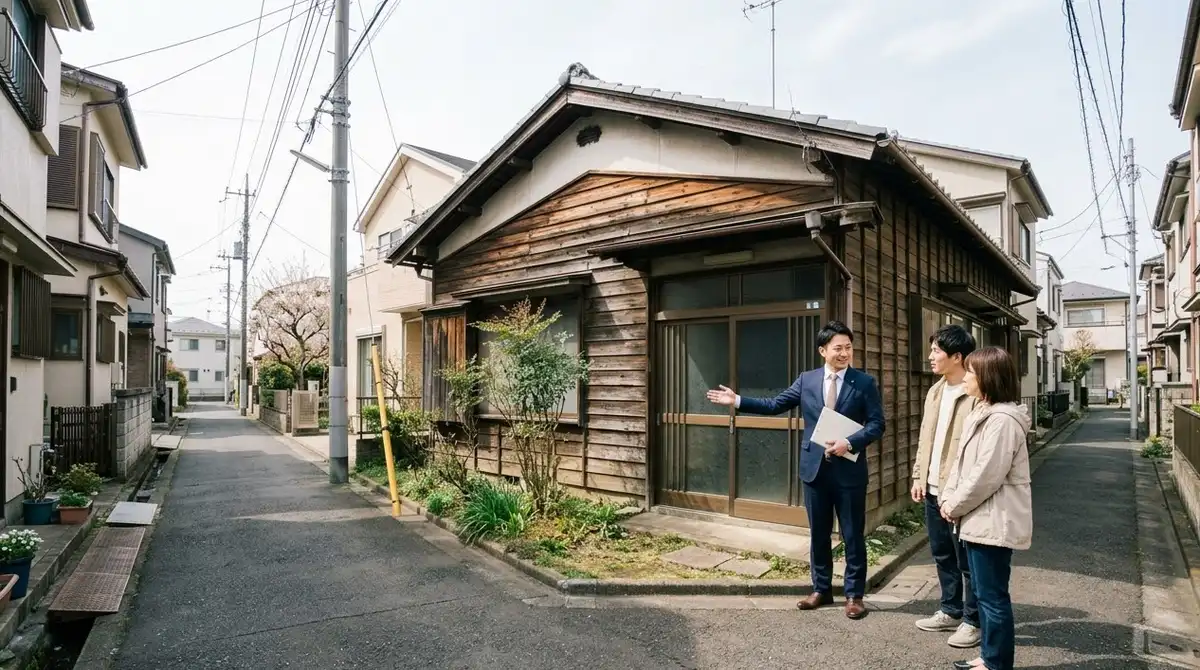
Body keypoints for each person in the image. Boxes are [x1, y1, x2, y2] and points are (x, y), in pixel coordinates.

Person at [706, 320, 885, 619]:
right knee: (818, 534)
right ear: (822, 351)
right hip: (814, 470)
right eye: (838, 348)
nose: (844, 353)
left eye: (848, 348)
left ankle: (854, 595)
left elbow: (877, 424)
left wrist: (849, 442)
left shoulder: (864, 383)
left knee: (853, 535)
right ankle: (821, 590)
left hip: (849, 472)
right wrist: (737, 400)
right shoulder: (808, 380)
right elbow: (775, 403)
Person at [938, 346, 1032, 670]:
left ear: (988, 378)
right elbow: (961, 467)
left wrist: (954, 504)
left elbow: (985, 476)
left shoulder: (1002, 420)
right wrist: (948, 499)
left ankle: (997, 663)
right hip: (978, 519)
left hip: (992, 521)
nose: (966, 377)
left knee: (992, 598)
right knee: (984, 594)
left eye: (972, 373)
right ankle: (989, 658)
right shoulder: (982, 412)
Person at [910, 325, 981, 649]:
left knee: (968, 560)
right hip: (933, 487)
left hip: (962, 493)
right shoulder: (936, 391)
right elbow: (926, 439)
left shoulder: (976, 393)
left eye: (936, 351)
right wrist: (918, 477)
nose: (930, 356)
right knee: (941, 554)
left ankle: (973, 620)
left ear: (957, 356)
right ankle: (950, 610)